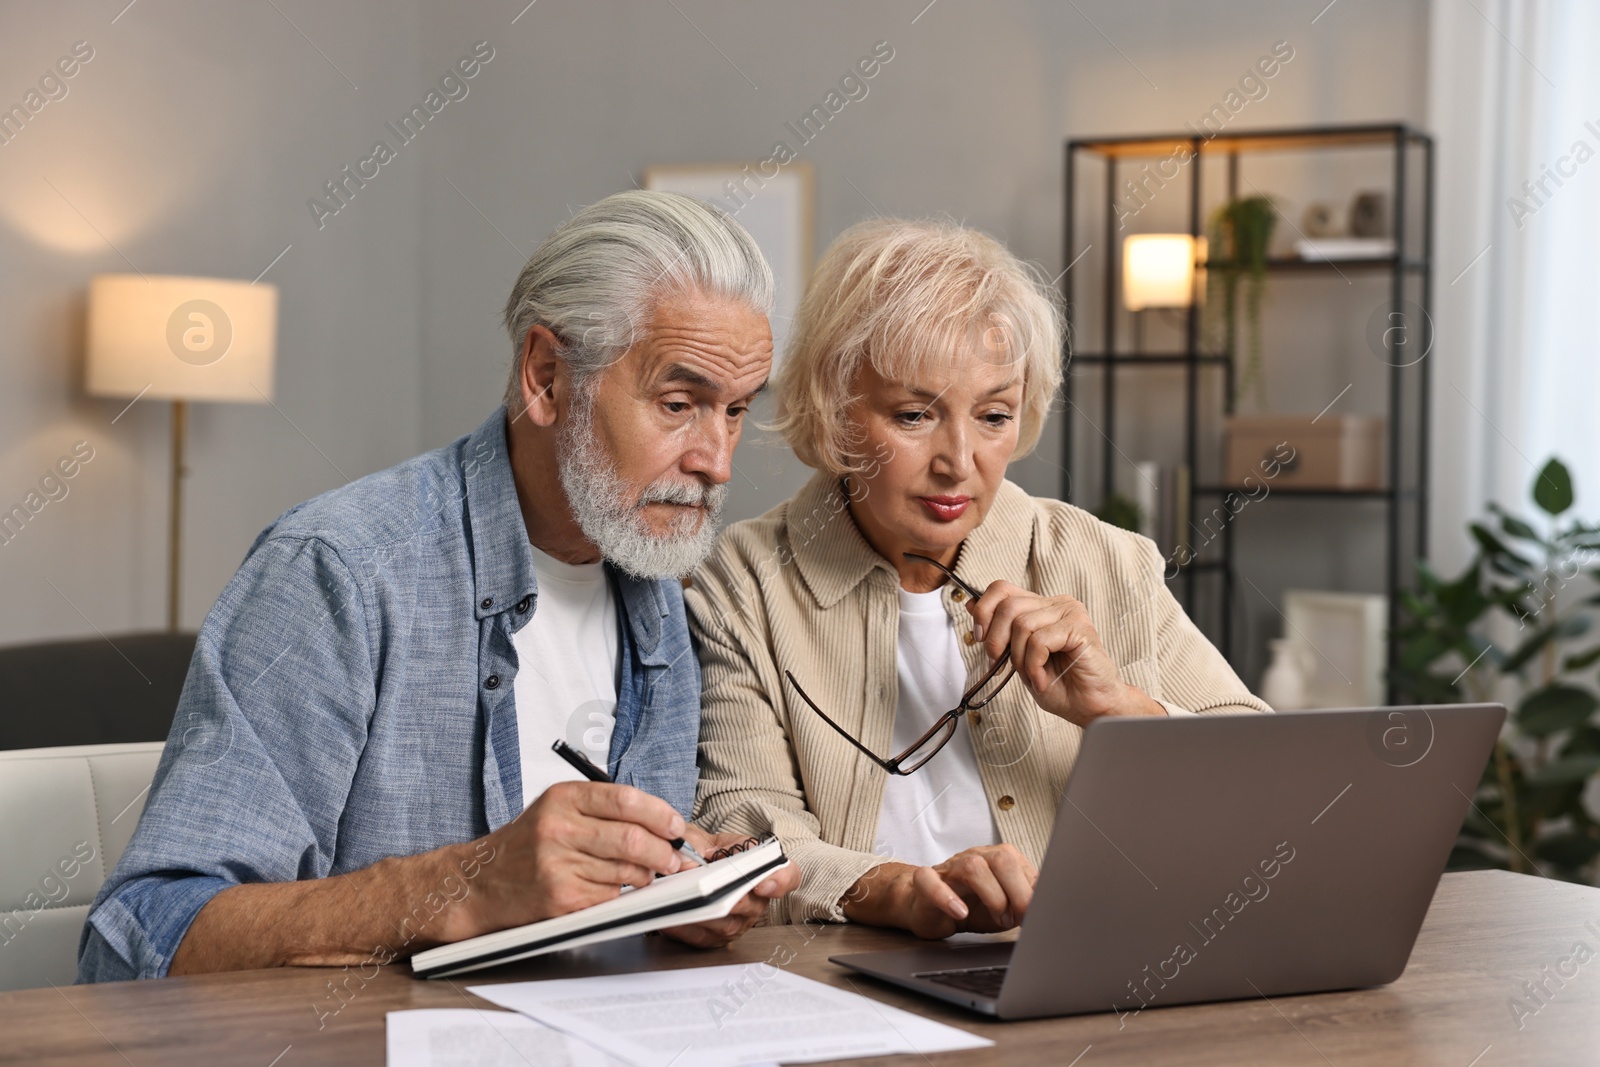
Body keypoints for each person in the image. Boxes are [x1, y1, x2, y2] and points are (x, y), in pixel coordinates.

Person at [79, 190, 799, 984]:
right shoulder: (336, 571)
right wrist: (459, 887)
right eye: (678, 403)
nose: (717, 461)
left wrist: (679, 889)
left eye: (733, 411)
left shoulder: (658, 583)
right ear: (547, 377)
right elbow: (141, 937)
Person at [686, 218, 1268, 942]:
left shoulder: (1105, 560)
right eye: (913, 415)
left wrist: (1118, 710)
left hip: (1097, 975)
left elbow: (1266, 787)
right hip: (844, 990)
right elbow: (742, 832)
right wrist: (895, 889)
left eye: (994, 415)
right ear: (835, 409)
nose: (959, 460)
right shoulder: (739, 585)